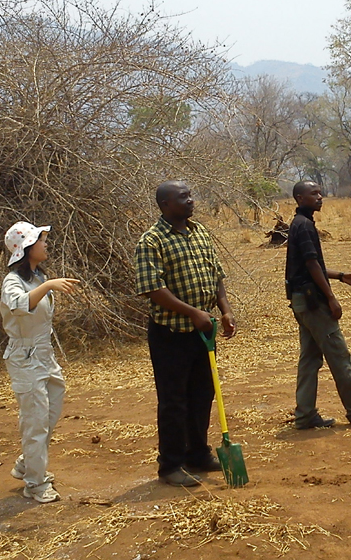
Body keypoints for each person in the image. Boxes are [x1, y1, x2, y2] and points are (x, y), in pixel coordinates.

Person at [134, 180, 237, 487]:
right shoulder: (151, 242)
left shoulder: (200, 232)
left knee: (203, 394)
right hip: (171, 334)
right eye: (183, 197)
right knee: (174, 400)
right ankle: (170, 465)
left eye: (190, 195)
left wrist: (225, 310)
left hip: (203, 333)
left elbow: (216, 275)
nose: (191, 201)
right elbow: (152, 289)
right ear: (165, 205)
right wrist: (192, 312)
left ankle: (198, 454)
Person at [285, 180, 351, 429]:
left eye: (320, 192)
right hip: (312, 302)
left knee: (309, 358)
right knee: (339, 355)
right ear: (299, 198)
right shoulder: (305, 226)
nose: (320, 197)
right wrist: (330, 297)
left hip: (299, 299)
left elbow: (312, 266)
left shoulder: (299, 224)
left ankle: (305, 414)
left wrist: (340, 275)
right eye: (313, 194)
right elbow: (310, 265)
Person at [0, 222, 79, 503]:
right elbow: (19, 305)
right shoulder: (14, 281)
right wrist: (47, 286)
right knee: (35, 422)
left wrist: (44, 284)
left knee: (50, 413)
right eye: (41, 240)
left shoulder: (35, 278)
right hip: (25, 357)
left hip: (44, 356)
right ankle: (35, 483)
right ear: (26, 248)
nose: (46, 244)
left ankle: (27, 463)